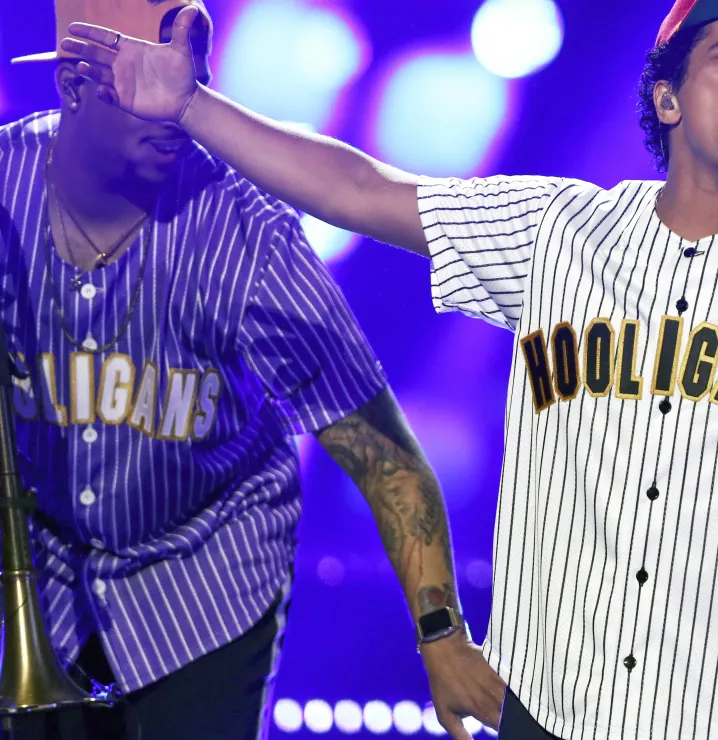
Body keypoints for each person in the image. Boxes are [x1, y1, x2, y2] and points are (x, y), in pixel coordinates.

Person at [60, 0, 718, 736]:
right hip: (548, 710)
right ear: (667, 97)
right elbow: (356, 190)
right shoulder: (557, 229)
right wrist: (190, 105)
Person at [0, 1, 498, 739]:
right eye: (150, 75)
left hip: (205, 593)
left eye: (193, 69)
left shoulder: (250, 234)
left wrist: (442, 638)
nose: (177, 97)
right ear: (75, 84)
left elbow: (386, 459)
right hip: (42, 586)